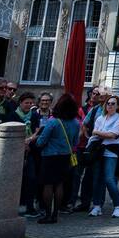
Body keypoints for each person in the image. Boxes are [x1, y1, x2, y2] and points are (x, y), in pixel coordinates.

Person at [36, 94, 80, 224]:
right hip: (65, 156)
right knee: (59, 184)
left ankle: (48, 214)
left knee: (48, 184)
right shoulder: (76, 123)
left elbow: (41, 141)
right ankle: (56, 213)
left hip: (50, 156)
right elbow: (75, 141)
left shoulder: (53, 121)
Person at [88, 94, 119, 217]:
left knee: (109, 179)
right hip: (98, 150)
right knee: (97, 179)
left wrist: (99, 133)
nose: (110, 105)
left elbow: (113, 135)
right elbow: (94, 133)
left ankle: (117, 206)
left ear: (117, 106)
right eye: (108, 103)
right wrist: (103, 133)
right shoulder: (100, 118)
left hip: (111, 152)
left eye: (113, 103)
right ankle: (97, 205)